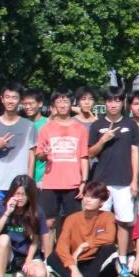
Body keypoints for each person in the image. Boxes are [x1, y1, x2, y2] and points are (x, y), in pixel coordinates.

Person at [88, 88, 139, 273]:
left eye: (117, 100)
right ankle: (97, 258)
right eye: (110, 100)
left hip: (124, 182)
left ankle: (123, 259)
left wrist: (134, 180)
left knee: (123, 222)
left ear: (123, 102)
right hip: (101, 182)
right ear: (105, 103)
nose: (113, 104)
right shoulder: (97, 125)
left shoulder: (130, 124)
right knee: (99, 222)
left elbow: (135, 152)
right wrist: (102, 140)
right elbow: (90, 153)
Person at [35, 89, 90, 252]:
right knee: (49, 222)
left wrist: (83, 181)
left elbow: (84, 156)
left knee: (71, 222)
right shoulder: (46, 128)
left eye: (66, 101)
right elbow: (39, 155)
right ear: (53, 105)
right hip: (50, 183)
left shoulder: (80, 129)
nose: (63, 105)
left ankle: (67, 256)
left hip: (73, 183)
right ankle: (48, 258)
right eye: (59, 101)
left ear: (71, 104)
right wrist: (44, 154)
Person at [47, 180, 120, 277]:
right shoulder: (71, 219)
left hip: (97, 267)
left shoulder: (108, 217)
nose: (87, 200)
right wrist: (73, 268)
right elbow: (62, 246)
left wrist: (84, 245)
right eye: (86, 196)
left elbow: (110, 237)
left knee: (109, 248)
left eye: (93, 197)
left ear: (102, 201)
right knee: (52, 257)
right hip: (77, 264)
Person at [0, 82, 37, 209]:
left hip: (19, 185)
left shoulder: (29, 126)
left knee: (19, 219)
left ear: (20, 101)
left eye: (14, 97)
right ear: (2, 99)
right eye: (7, 97)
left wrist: (29, 181)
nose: (10, 101)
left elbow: (31, 155)